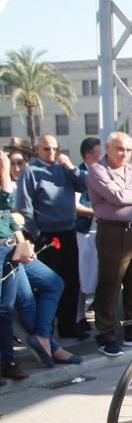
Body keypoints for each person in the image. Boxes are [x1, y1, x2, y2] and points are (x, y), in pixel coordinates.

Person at [0, 148, 81, 374]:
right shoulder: (14, 177)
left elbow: (7, 216)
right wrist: (5, 176)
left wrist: (22, 242)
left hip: (11, 245)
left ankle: (44, 338)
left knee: (53, 283)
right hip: (2, 248)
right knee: (11, 305)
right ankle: (12, 360)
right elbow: (7, 208)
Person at [87, 131, 132, 357]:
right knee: (110, 284)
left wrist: (130, 194)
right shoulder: (97, 170)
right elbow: (118, 198)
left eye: (128, 150)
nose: (125, 154)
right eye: (120, 149)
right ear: (108, 148)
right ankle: (106, 334)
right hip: (114, 233)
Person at [15, 135, 89, 340]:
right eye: (47, 149)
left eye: (55, 149)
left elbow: (84, 184)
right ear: (38, 149)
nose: (52, 153)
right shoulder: (30, 172)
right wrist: (36, 233)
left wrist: (71, 167)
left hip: (68, 231)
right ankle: (44, 330)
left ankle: (68, 325)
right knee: (48, 283)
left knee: (71, 280)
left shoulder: (63, 168)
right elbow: (24, 206)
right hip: (46, 234)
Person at [74, 137, 101, 334]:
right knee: (83, 277)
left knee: (100, 276)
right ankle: (79, 317)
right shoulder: (77, 175)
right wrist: (98, 211)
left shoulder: (101, 174)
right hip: (84, 232)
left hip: (101, 232)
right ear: (89, 155)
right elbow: (75, 207)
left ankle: (100, 315)